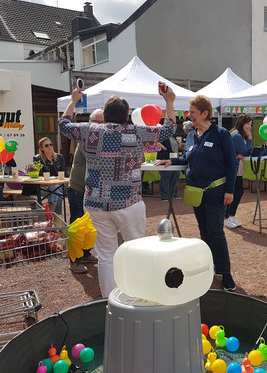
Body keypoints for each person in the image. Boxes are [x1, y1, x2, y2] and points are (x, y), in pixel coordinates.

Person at [58, 83, 176, 297]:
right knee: (137, 250)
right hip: (128, 202)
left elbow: (63, 124)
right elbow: (169, 129)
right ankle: (140, 294)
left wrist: (73, 101)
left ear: (106, 114)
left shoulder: (89, 130)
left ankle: (110, 299)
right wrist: (169, 101)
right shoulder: (137, 132)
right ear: (126, 117)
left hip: (95, 203)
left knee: (106, 255)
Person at [156, 95, 237, 291]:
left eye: (192, 112)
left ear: (204, 113)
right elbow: (187, 158)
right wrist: (172, 161)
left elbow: (232, 164)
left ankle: (225, 273)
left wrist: (230, 190)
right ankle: (207, 268)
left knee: (216, 232)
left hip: (216, 192)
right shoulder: (192, 135)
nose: (189, 115)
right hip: (196, 192)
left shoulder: (221, 134)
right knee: (204, 232)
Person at [67, 108, 104, 274]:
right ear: (90, 123)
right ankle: (74, 260)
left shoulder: (99, 139)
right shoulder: (86, 138)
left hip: (90, 190)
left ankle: (86, 253)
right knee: (77, 225)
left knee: (89, 225)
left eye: (104, 121)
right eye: (97, 122)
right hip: (78, 188)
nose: (101, 125)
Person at [224, 114, 253, 229]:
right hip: (233, 168)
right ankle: (226, 217)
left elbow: (244, 152)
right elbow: (247, 151)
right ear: (241, 123)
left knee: (238, 192)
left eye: (250, 125)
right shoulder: (236, 135)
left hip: (237, 168)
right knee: (233, 192)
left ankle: (231, 216)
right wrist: (250, 138)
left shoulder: (238, 134)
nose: (249, 127)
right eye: (247, 124)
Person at [34, 137, 66, 213]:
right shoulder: (37, 159)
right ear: (42, 148)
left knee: (56, 190)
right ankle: (54, 217)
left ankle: (50, 216)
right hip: (43, 187)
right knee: (58, 192)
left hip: (58, 186)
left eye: (51, 144)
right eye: (46, 145)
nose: (49, 147)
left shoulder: (60, 157)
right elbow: (40, 176)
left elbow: (64, 173)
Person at [157, 131, 180, 200]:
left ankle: (173, 194)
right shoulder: (161, 136)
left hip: (174, 159)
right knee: (166, 176)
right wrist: (164, 148)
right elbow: (156, 144)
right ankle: (165, 196)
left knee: (175, 176)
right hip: (164, 159)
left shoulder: (172, 137)